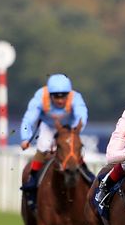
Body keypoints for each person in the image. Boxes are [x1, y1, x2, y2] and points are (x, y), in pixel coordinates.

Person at [19, 74, 91, 205]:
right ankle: (33, 178)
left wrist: (74, 130)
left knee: (72, 147)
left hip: (69, 128)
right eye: (56, 96)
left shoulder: (76, 97)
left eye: (63, 95)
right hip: (49, 126)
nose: (60, 100)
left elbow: (82, 114)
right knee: (43, 146)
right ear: (50, 94)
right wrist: (25, 138)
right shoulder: (40, 96)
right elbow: (29, 119)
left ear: (68, 94)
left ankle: (86, 174)